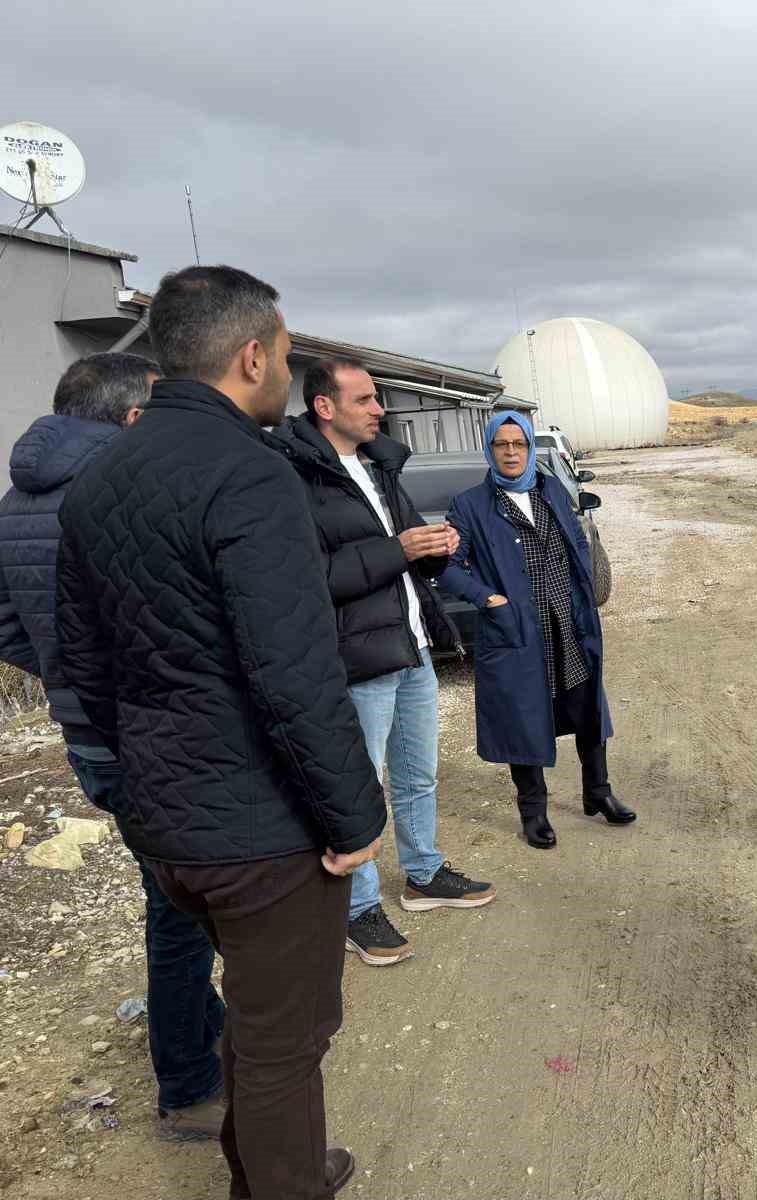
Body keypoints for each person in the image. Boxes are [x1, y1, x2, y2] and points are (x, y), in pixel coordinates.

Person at [56, 265, 386, 1200]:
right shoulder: (251, 475)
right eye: (284, 354)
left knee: (256, 1018)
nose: (285, 370)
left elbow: (82, 669)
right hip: (261, 830)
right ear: (252, 357)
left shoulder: (100, 478)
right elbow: (295, 675)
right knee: (286, 1040)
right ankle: (282, 1181)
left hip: (167, 822)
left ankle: (272, 1164)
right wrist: (352, 819)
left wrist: (133, 790)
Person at [0, 354, 227, 1141]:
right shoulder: (124, 493)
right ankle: (190, 1087)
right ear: (133, 419)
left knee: (170, 895)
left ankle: (205, 1027)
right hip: (152, 738)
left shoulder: (12, 500)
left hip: (88, 742)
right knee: (178, 915)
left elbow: (6, 625)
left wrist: (62, 675)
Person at [281, 357, 495, 968]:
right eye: (367, 399)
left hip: (413, 643)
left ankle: (423, 873)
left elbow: (405, 555)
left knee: (418, 773)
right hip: (358, 656)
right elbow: (308, 579)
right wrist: (396, 549)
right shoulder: (298, 479)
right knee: (361, 783)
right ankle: (356, 909)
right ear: (325, 407)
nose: (380, 409)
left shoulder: (379, 464)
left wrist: (432, 550)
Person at [437, 410, 634, 847]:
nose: (511, 452)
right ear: (490, 450)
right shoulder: (470, 505)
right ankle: (533, 811)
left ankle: (598, 793)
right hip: (517, 630)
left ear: (529, 448)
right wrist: (490, 599)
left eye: (519, 444)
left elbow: (578, 541)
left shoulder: (550, 490)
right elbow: (446, 568)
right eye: (501, 445)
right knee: (522, 717)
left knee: (587, 709)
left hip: (569, 622)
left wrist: (581, 583)